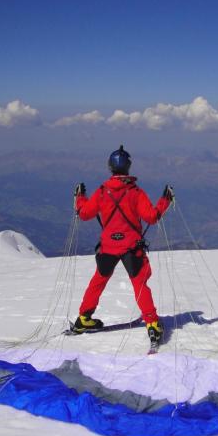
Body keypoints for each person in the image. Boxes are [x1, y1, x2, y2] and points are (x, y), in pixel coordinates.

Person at [72, 145, 174, 344]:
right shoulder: (135, 192)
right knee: (139, 284)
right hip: (131, 247)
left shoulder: (103, 191)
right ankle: (152, 324)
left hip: (107, 247)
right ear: (128, 167)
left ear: (110, 167)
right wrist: (165, 200)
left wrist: (80, 197)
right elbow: (152, 217)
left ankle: (84, 318)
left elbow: (84, 214)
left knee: (98, 280)